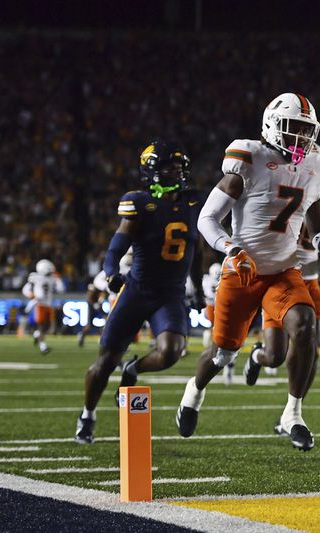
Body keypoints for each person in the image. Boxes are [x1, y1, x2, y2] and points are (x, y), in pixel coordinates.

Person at [176, 93, 320, 452]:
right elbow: (207, 219)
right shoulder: (249, 158)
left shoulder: (317, 164)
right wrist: (232, 249)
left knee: (305, 325)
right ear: (272, 126)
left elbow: (318, 229)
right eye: (293, 130)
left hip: (284, 270)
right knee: (223, 353)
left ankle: (293, 413)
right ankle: (194, 391)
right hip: (242, 271)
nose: (300, 140)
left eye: (306, 132)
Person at [75, 139, 205, 445]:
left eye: (179, 166)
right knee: (105, 361)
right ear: (151, 171)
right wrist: (110, 272)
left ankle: (134, 366)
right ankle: (87, 415)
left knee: (172, 351)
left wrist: (197, 289)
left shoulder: (193, 202)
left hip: (171, 293)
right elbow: (118, 243)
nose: (175, 171)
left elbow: (196, 250)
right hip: (137, 290)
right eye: (168, 166)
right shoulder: (139, 202)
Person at [240, 190, 320, 434]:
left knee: (312, 350)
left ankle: (292, 412)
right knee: (275, 356)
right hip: (281, 279)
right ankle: (258, 356)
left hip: (309, 282)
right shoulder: (276, 188)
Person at [22, 259, 65, 355]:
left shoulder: (53, 278)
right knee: (41, 325)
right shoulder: (35, 277)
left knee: (48, 326)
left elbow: (61, 289)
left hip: (49, 304)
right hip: (39, 304)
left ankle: (37, 334)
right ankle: (43, 346)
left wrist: (58, 278)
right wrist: (31, 295)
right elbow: (25, 290)